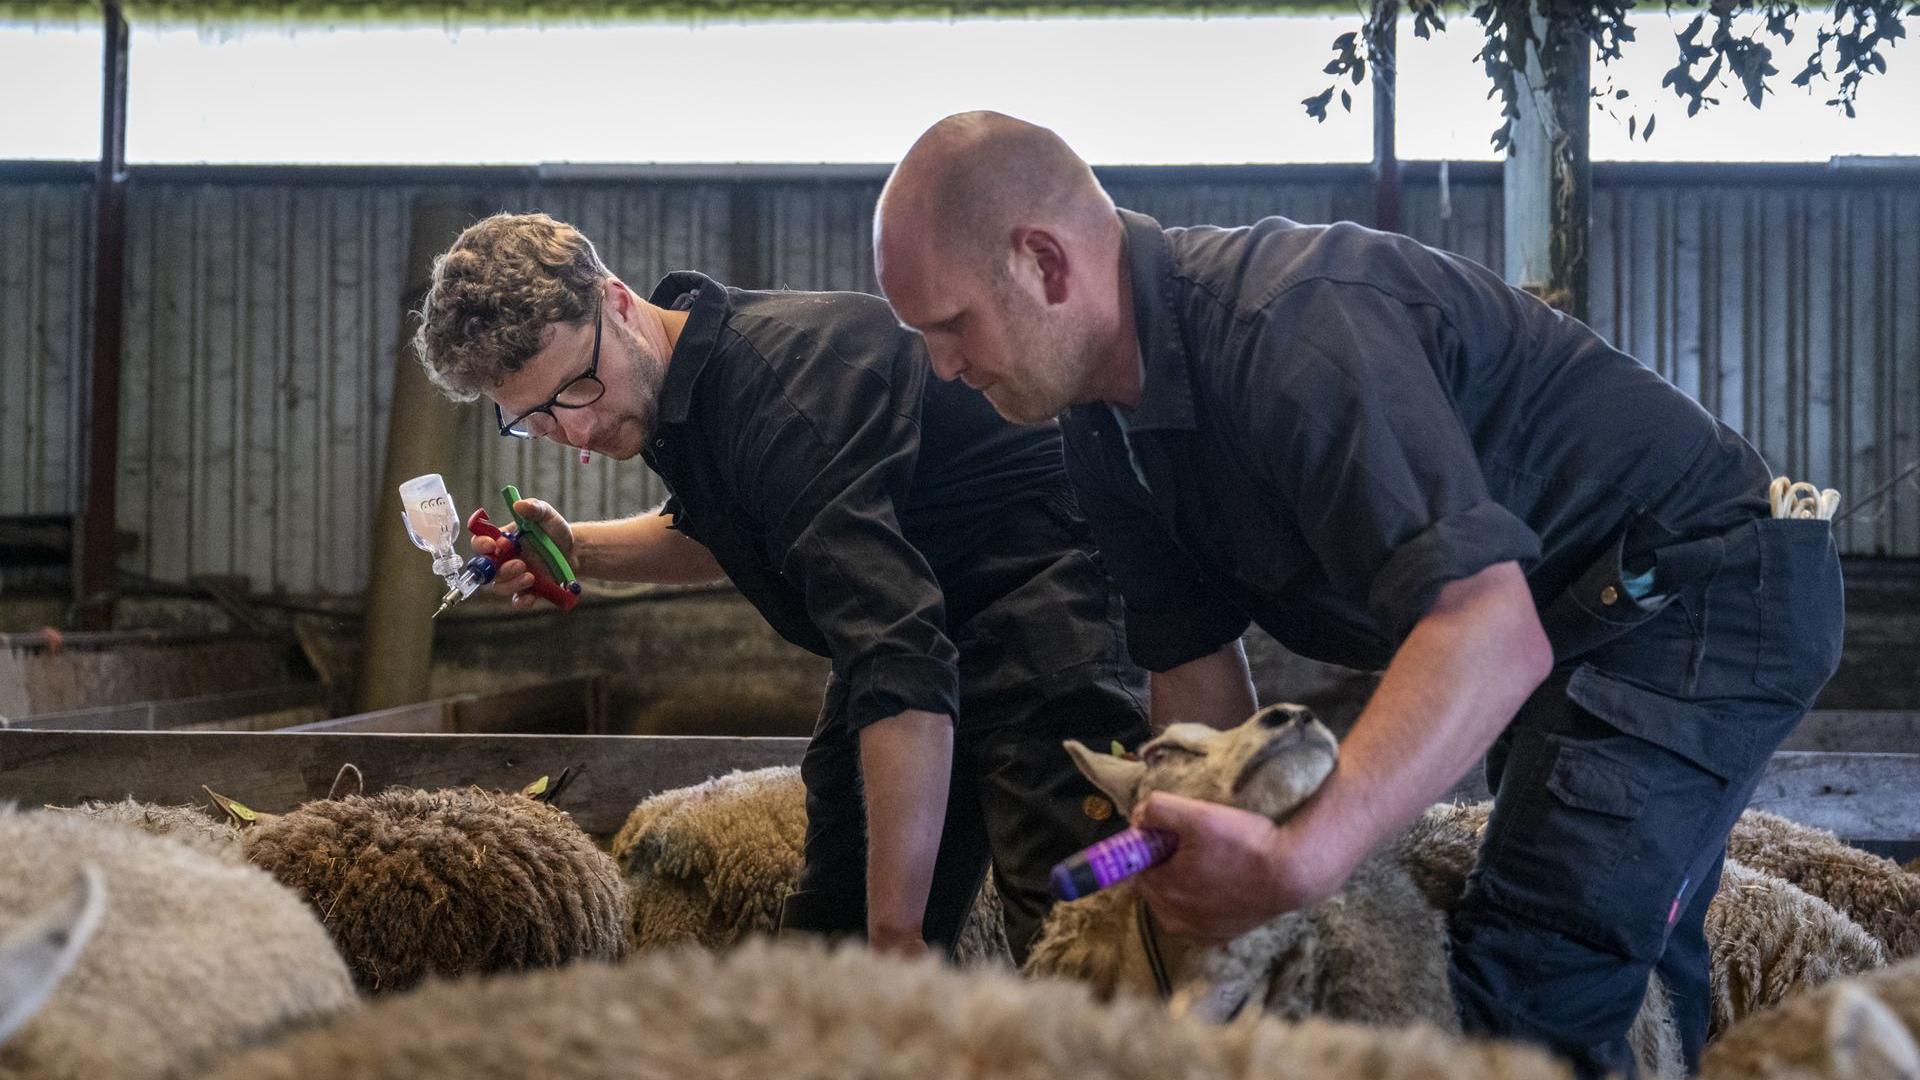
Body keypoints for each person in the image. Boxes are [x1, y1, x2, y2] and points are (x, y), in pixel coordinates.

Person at [873, 112, 1844, 1077]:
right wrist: (1199, 825)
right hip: (1578, 618)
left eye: (950, 325)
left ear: (1045, 263)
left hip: (1691, 596)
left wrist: (1298, 861)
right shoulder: (1105, 430)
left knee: (1526, 995)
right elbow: (1195, 666)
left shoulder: (1293, 333)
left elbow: (1488, 629)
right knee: (1624, 973)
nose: (942, 367)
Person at [412, 211, 1148, 962]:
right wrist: (577, 548)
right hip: (923, 632)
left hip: (1043, 619)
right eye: (534, 420)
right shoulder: (678, 392)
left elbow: (900, 660)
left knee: (1078, 934)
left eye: (577, 387)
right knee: (832, 935)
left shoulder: (784, 393)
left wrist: (896, 932)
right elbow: (730, 532)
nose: (576, 431)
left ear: (618, 302)